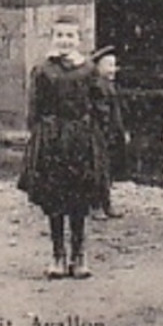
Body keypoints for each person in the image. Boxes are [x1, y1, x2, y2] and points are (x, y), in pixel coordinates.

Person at [17, 16, 108, 279]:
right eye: (60, 36)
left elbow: (100, 105)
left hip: (80, 138)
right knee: (54, 198)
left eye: (70, 36)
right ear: (53, 39)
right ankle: (58, 254)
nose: (65, 41)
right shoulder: (44, 69)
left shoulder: (89, 70)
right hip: (52, 138)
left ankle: (79, 254)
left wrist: (96, 135)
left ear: (79, 40)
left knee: (79, 198)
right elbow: (35, 106)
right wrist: (39, 134)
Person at [90, 47, 127, 218]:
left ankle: (106, 203)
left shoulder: (110, 86)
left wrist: (120, 131)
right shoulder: (97, 86)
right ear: (98, 67)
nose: (113, 70)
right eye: (109, 65)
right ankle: (96, 205)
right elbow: (101, 112)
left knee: (106, 170)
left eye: (114, 65)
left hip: (109, 133)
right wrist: (105, 130)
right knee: (97, 170)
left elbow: (116, 112)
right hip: (98, 133)